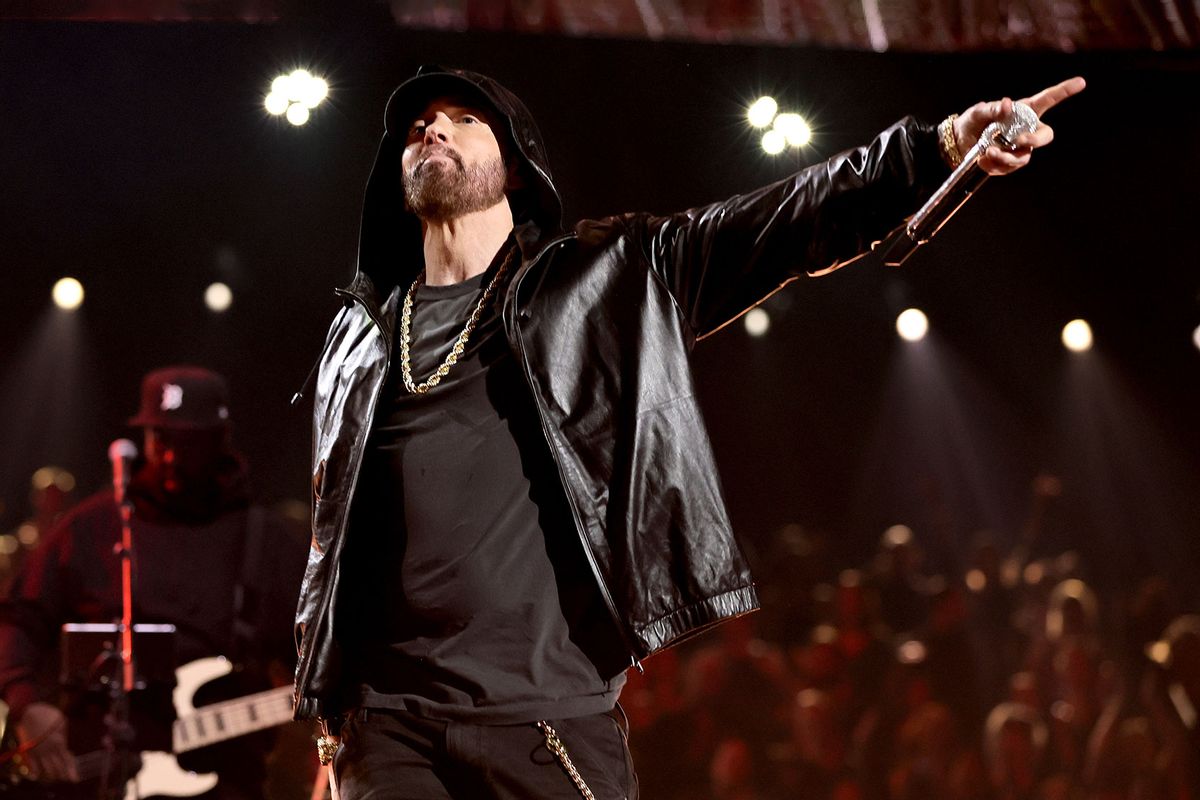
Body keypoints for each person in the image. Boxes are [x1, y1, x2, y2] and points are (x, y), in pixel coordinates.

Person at [290, 66, 1085, 799]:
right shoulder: (358, 335)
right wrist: (330, 716)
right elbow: (332, 535)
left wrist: (938, 147)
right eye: (420, 123)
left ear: (519, 168)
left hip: (544, 719)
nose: (433, 130)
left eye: (464, 120)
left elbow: (781, 222)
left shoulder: (607, 281)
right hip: (385, 728)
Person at [0, 365, 311, 799]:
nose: (168, 456)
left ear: (219, 441)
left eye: (187, 443)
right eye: (159, 438)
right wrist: (25, 701)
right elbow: (19, 618)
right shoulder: (93, 526)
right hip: (90, 777)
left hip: (225, 780)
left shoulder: (264, 541)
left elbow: (314, 652)